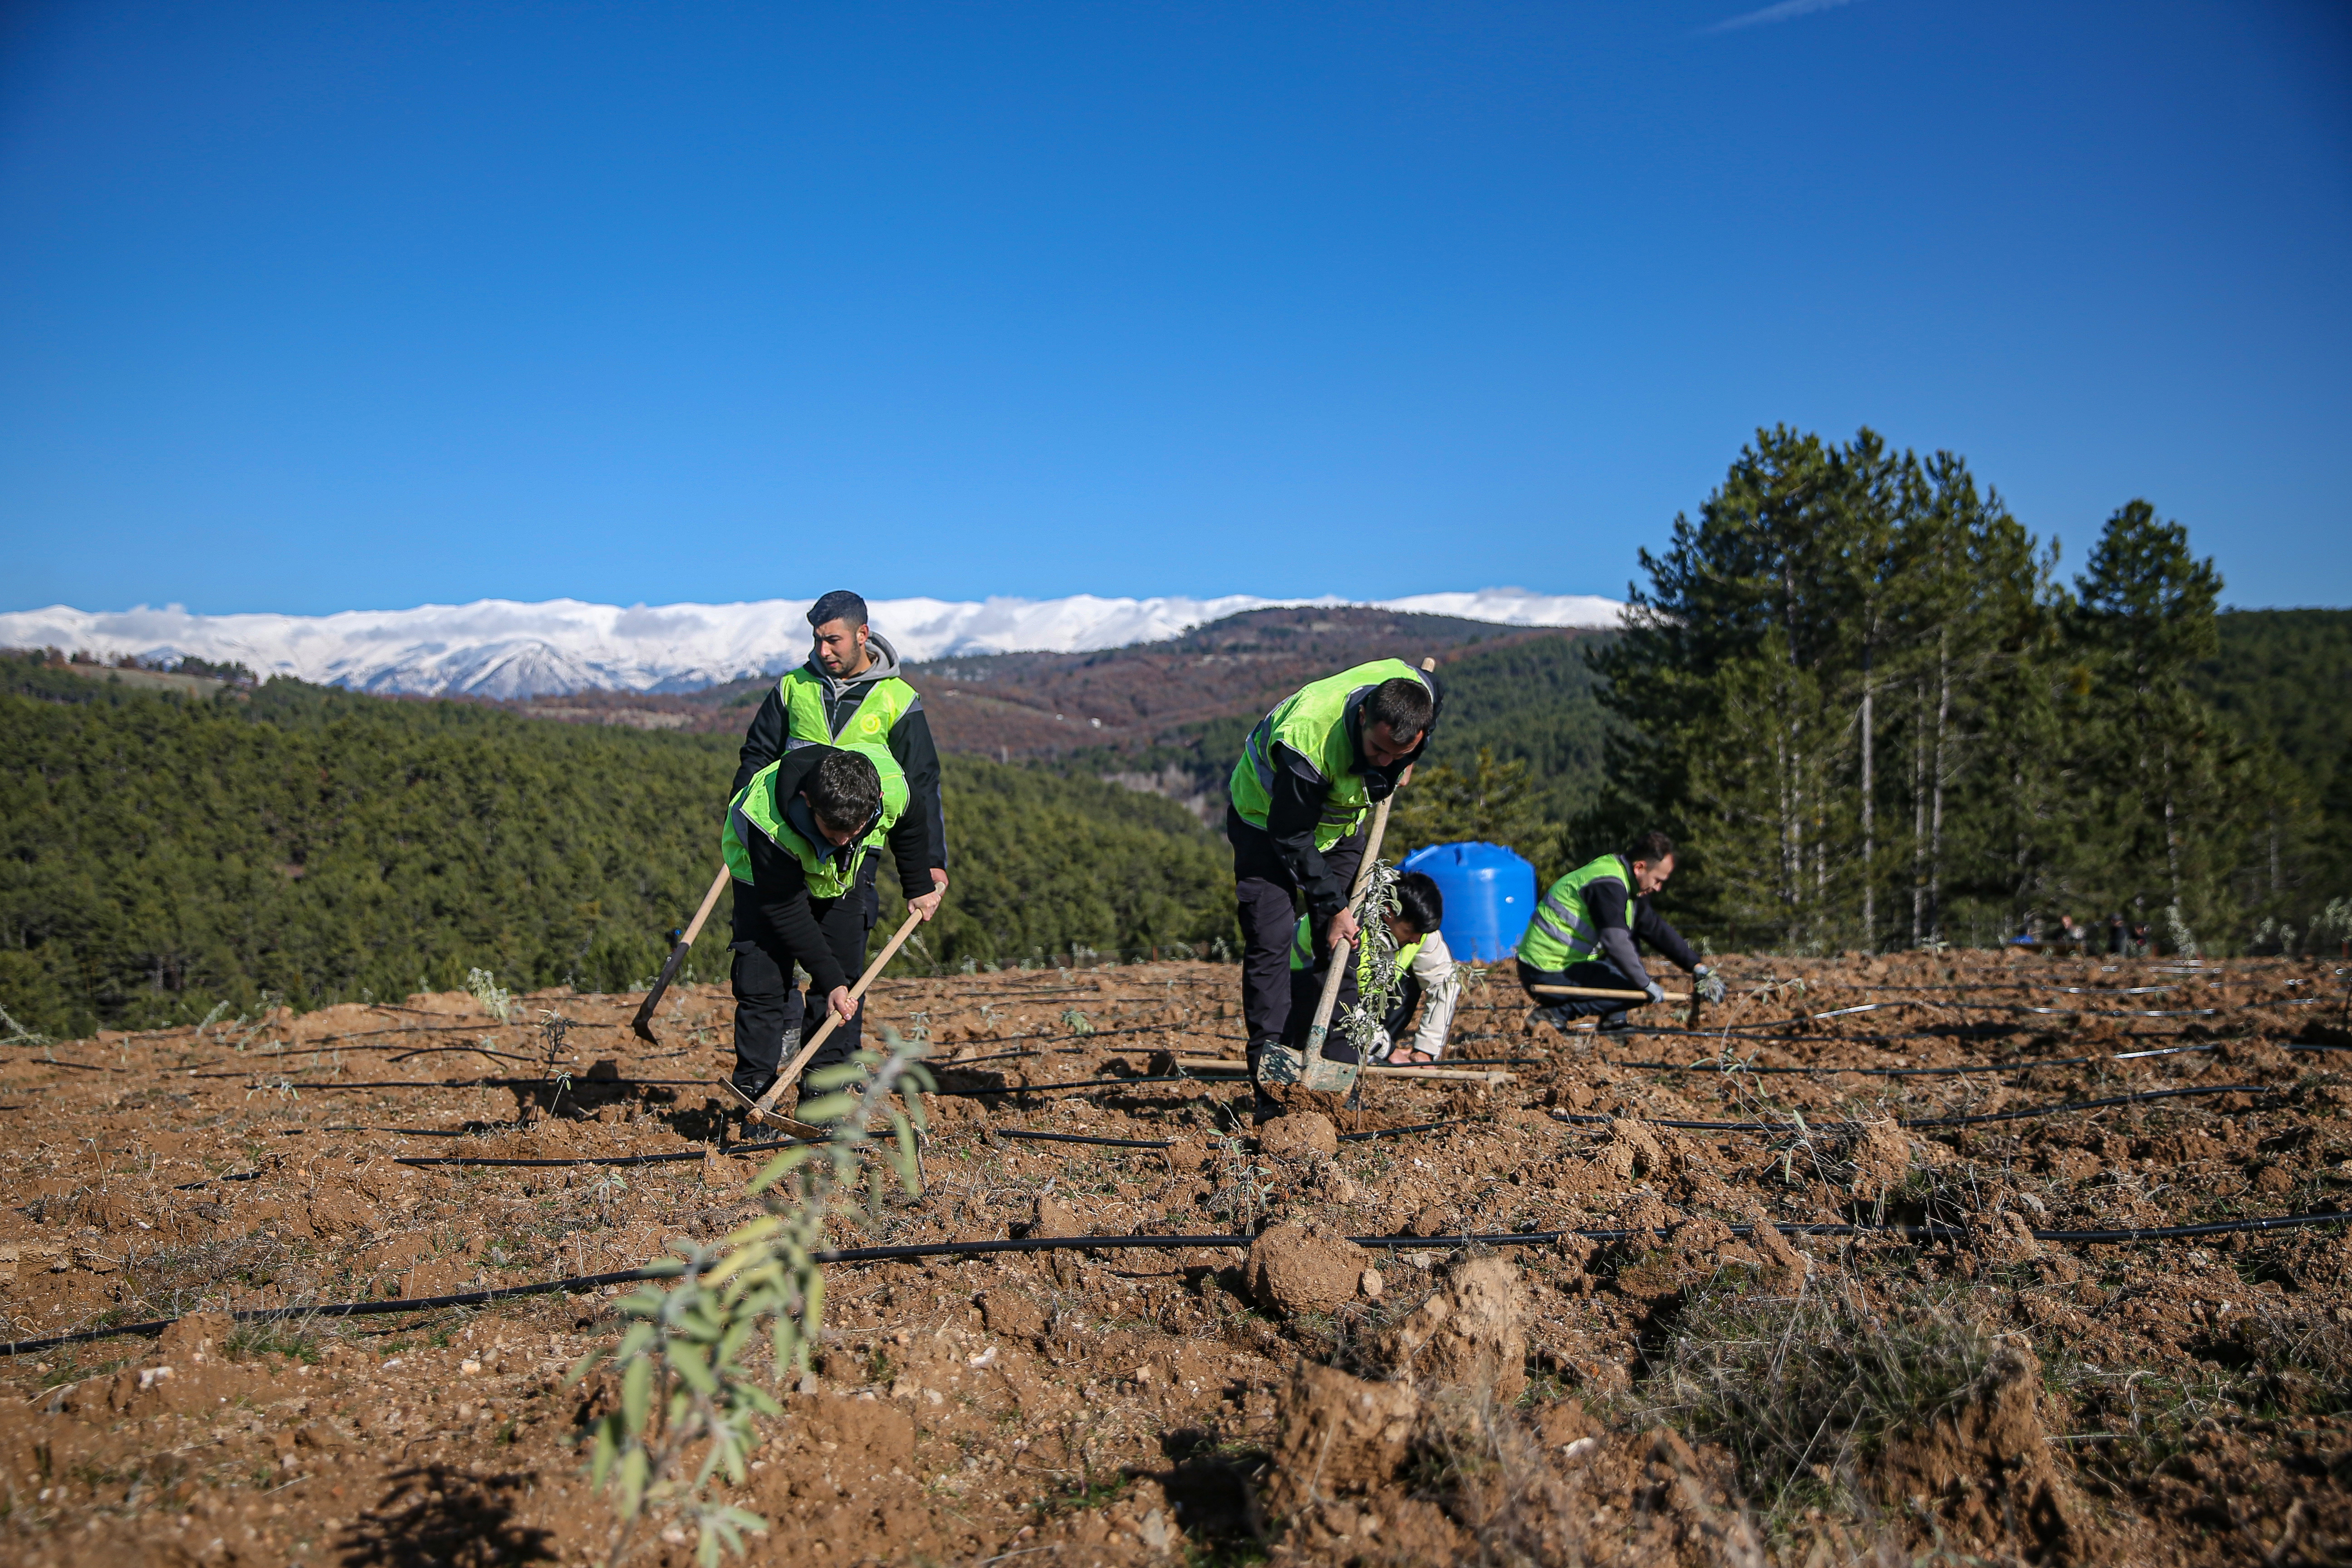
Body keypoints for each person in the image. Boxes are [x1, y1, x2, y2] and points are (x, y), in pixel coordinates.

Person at [732, 590, 948, 1059]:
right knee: (766, 958)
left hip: (856, 842)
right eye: (818, 640)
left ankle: (829, 1086)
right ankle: (779, 1044)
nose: (823, 651)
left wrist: (930, 866)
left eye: (833, 640)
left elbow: (920, 786)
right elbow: (757, 755)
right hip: (786, 834)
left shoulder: (897, 698)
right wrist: (745, 824)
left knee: (842, 969)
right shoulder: (793, 687)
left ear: (862, 636)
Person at [1226, 660, 1440, 1092]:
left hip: (1338, 827)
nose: (1384, 761)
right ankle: (1273, 1082)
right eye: (1378, 750)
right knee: (1270, 940)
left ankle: (1335, 1074)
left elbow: (1418, 720)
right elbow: (1291, 837)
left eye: (1398, 752)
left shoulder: (1421, 694)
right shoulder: (1307, 741)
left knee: (1344, 943)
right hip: (1267, 824)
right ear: (1363, 717)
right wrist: (1335, 904)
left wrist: (1402, 763)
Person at [720, 745, 935, 1115]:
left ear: (877, 800)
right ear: (808, 801)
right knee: (762, 979)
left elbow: (912, 821)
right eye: (833, 830)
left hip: (838, 879)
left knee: (845, 978)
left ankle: (823, 1093)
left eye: (854, 830)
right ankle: (755, 1094)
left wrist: (918, 886)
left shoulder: (894, 787)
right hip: (764, 879)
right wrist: (830, 976)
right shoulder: (767, 819)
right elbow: (785, 910)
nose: (843, 840)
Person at [1515, 831, 1722, 1033]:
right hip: (1545, 971)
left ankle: (1614, 1024)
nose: (1658, 888)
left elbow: (1654, 929)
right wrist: (1644, 985)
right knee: (1632, 985)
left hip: (1563, 964)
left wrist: (1697, 967)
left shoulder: (1625, 880)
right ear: (1640, 867)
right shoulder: (1608, 885)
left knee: (1630, 943)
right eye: (1658, 880)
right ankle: (1554, 1016)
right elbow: (1615, 942)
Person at [1282, 870, 1460, 1068]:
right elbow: (1340, 1000)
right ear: (1388, 913)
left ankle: (1366, 1055)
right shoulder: (1350, 925)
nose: (1417, 940)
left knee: (1414, 980)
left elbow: (1444, 984)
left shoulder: (1420, 931)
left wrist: (1426, 1050)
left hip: (1360, 998)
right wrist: (1389, 1051)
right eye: (1410, 932)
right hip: (1303, 982)